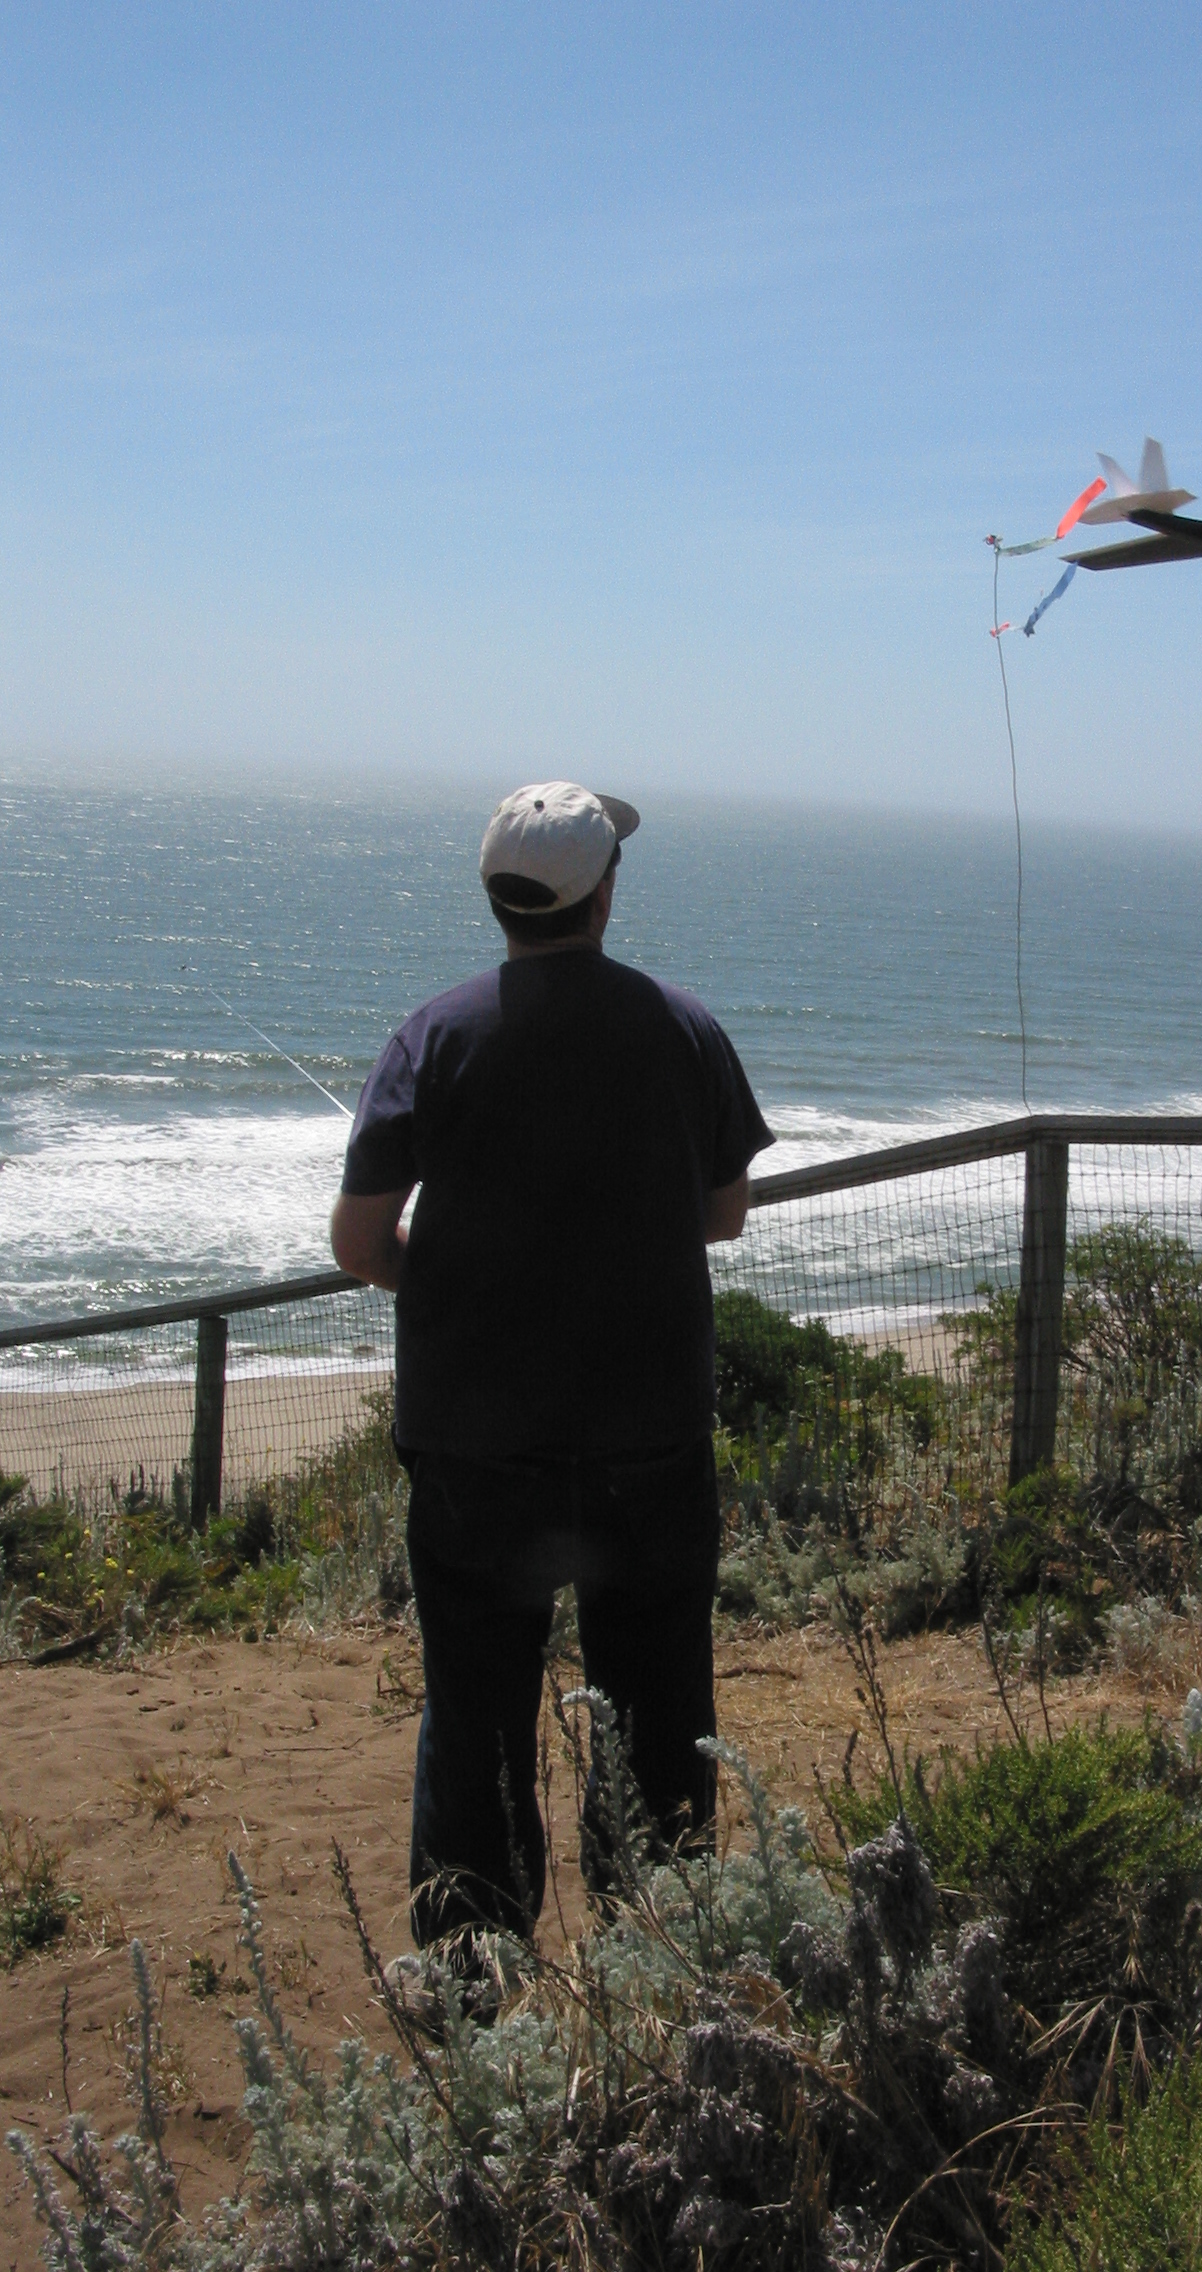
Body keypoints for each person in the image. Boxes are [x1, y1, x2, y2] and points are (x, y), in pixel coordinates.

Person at [330, 781, 772, 1961]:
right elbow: (724, 1212)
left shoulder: (433, 1034)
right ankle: (661, 1949)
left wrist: (467, 1281)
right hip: (649, 1438)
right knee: (661, 1710)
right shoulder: (684, 1028)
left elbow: (362, 1242)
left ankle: (476, 1976)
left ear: (496, 898)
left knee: (474, 1716)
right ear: (603, 894)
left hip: (477, 1446)